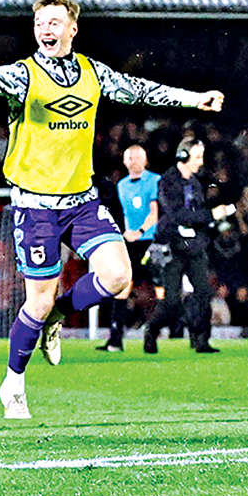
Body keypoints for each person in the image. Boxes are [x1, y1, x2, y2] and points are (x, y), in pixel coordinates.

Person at [0, 0, 223, 418]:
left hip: (81, 202)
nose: (46, 29)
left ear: (72, 28)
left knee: (118, 276)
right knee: (36, 302)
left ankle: (59, 315)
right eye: (40, 23)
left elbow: (140, 90)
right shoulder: (24, 75)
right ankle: (13, 383)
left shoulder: (92, 72)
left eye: (54, 22)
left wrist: (192, 98)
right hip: (35, 207)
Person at [145, 136, 234, 354]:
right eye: (197, 157)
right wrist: (211, 215)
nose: (201, 162)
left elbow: (197, 214)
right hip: (172, 246)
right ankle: (152, 329)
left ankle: (201, 339)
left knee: (203, 292)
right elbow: (177, 214)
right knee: (171, 300)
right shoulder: (167, 181)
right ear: (183, 156)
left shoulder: (195, 183)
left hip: (194, 246)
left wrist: (214, 220)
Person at [106, 144, 160, 352]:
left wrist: (140, 230)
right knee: (122, 286)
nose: (134, 161)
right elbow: (123, 213)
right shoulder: (121, 185)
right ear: (124, 161)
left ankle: (163, 334)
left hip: (152, 241)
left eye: (138, 157)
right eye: (130, 157)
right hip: (131, 242)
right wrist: (125, 233)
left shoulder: (155, 180)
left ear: (145, 160)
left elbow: (155, 212)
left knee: (160, 289)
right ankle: (115, 339)